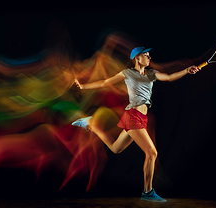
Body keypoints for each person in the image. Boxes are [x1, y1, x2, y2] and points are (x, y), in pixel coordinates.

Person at [72, 47, 200, 202]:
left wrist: (186, 70)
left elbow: (170, 77)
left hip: (140, 118)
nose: (149, 57)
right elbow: (105, 82)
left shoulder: (151, 74)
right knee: (152, 153)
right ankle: (147, 192)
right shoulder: (127, 73)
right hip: (133, 116)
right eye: (146, 55)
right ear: (137, 58)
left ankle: (91, 124)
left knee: (115, 148)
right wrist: (84, 86)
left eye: (149, 55)